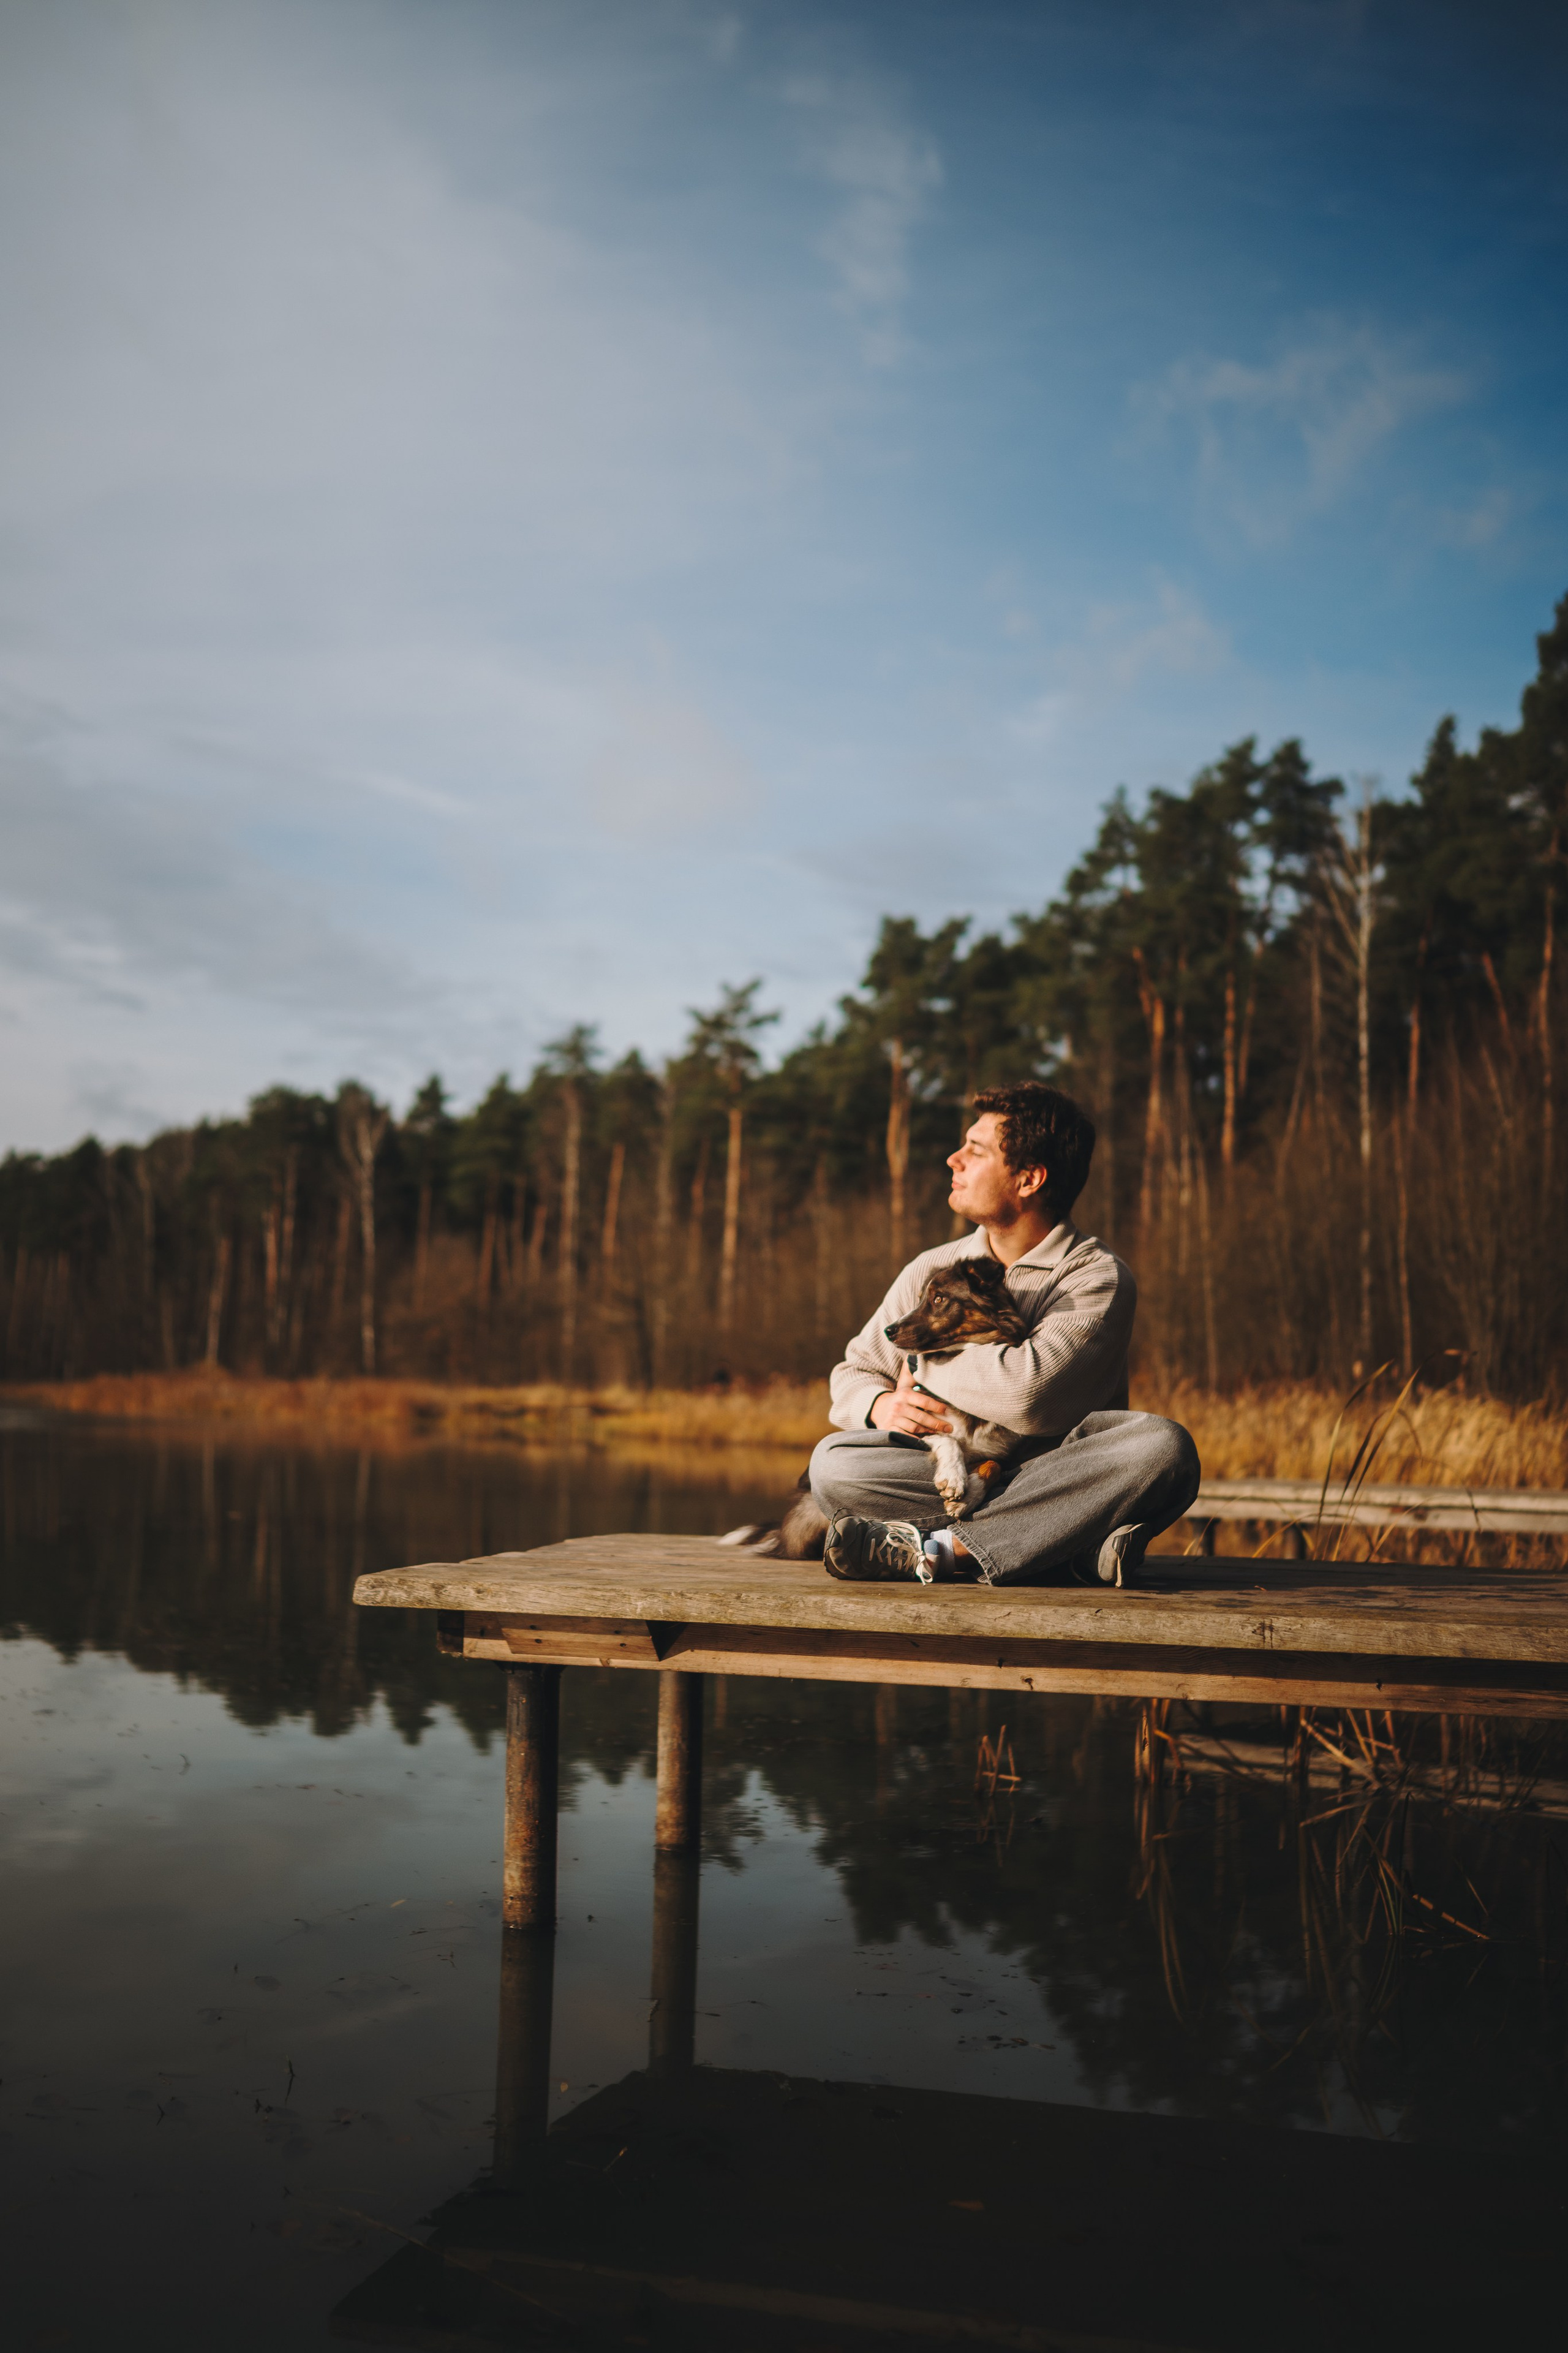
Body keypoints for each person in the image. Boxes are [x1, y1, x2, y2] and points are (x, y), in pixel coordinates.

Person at [809, 1081, 1199, 1585]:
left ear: (1029, 1178)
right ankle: (1067, 1546)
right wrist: (879, 1406)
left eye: (975, 1150)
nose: (953, 1159)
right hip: (960, 1475)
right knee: (834, 1465)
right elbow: (854, 1371)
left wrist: (919, 1363)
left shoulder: (1094, 1278)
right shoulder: (933, 1267)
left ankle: (945, 1552)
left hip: (1057, 1475)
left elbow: (1027, 1396)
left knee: (1163, 1449)